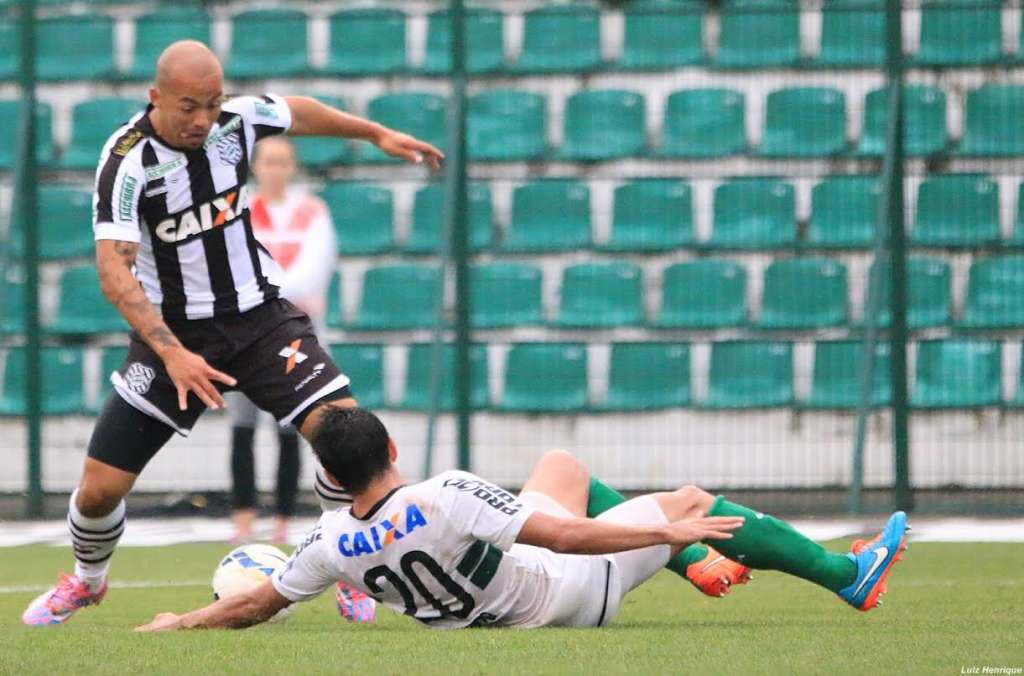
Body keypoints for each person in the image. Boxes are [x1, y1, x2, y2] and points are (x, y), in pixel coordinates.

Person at [21, 40, 442, 627]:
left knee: (349, 440)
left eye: (213, 104)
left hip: (261, 320)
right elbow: (113, 270)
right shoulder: (127, 161)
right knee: (98, 490)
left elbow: (297, 110)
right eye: (188, 106)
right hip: (172, 337)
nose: (202, 120)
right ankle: (88, 581)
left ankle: (348, 565)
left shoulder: (235, 122)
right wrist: (171, 353)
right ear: (155, 98)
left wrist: (373, 133)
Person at [136, 407, 910, 632]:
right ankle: (851, 575)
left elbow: (254, 605)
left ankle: (693, 564)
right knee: (695, 502)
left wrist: (179, 623)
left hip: (492, 603)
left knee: (562, 470)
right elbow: (568, 538)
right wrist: (665, 533)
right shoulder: (445, 491)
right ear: (394, 447)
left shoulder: (327, 544)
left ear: (331, 479)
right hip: (566, 593)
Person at [228, 136, 336, 546]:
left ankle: (283, 520)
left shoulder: (312, 212)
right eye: (268, 161)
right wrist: (279, 293)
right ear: (256, 167)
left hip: (295, 333)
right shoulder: (238, 211)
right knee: (242, 425)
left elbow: (314, 269)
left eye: (282, 161)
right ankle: (242, 517)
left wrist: (266, 292)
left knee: (290, 424)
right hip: (245, 334)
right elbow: (236, 267)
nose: (275, 169)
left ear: (292, 167)